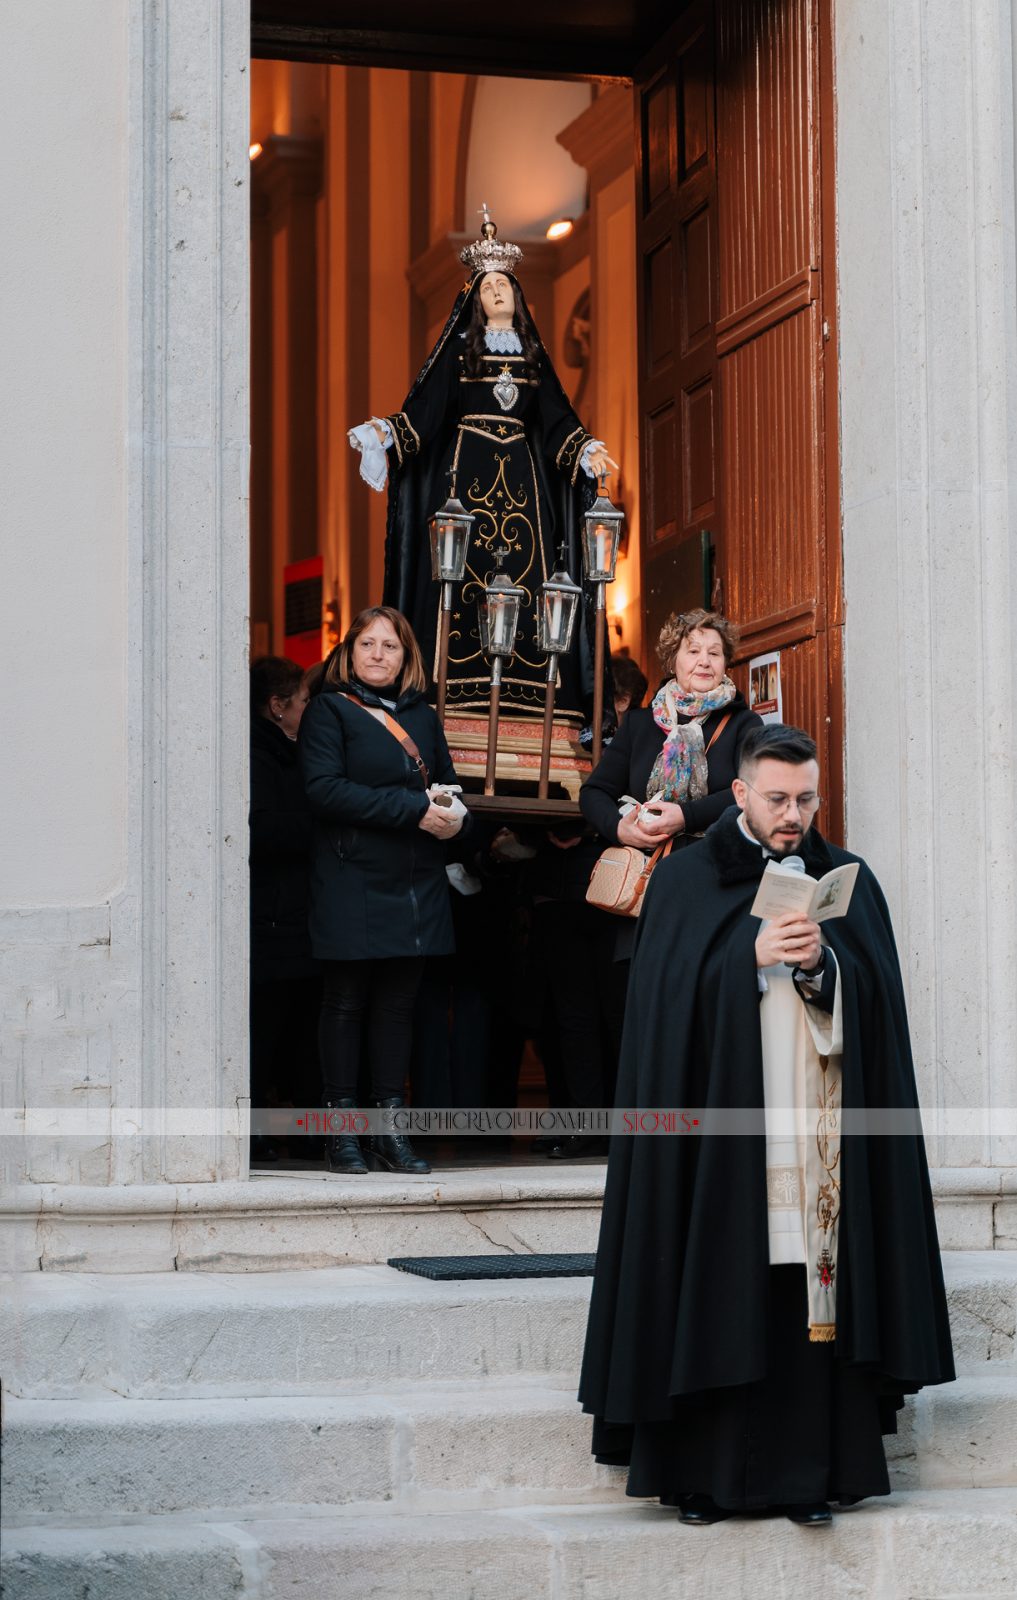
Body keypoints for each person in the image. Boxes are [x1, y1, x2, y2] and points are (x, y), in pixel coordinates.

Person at [578, 724, 955, 1525]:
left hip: (817, 1128)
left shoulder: (847, 878)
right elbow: (656, 1014)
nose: (793, 815)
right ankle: (699, 1478)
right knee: (713, 1276)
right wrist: (742, 961)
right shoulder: (683, 883)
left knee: (808, 1288)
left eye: (806, 799)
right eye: (777, 799)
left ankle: (810, 1476)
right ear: (740, 794)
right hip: (717, 1142)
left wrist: (825, 967)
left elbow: (881, 1009)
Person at [349, 206, 617, 728]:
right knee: (459, 573)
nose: (497, 291)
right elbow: (426, 413)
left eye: (505, 285)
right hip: (464, 481)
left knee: (528, 573)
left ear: (517, 297)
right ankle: (452, 692)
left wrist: (583, 449)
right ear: (474, 298)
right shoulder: (459, 354)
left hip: (522, 480)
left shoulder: (533, 359)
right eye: (488, 285)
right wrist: (388, 432)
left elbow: (556, 420)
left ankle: (534, 691)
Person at [299, 606, 464, 1176]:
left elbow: (443, 781)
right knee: (345, 1003)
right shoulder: (328, 710)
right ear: (349, 652)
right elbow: (324, 792)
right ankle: (342, 1135)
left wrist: (452, 813)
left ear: (406, 657)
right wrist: (414, 808)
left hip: (415, 880)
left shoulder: (422, 714)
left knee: (398, 1007)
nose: (377, 654)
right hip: (351, 878)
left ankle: (389, 1133)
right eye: (367, 644)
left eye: (389, 646)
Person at [581, 609, 762, 1062]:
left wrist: (685, 815)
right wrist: (620, 827)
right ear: (673, 659)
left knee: (705, 1019)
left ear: (727, 663)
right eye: (693, 650)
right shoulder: (642, 724)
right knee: (638, 1021)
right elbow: (595, 793)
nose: (704, 660)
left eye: (714, 653)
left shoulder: (745, 726)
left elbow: (752, 795)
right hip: (647, 892)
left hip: (715, 887)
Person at [249, 657, 319, 1162]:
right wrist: (327, 821)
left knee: (296, 1033)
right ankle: (256, 1134)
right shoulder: (258, 756)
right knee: (268, 1034)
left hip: (292, 915)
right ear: (277, 707)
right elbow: (262, 830)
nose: (307, 709)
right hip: (273, 917)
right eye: (302, 700)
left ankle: (299, 1131)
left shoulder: (289, 752)